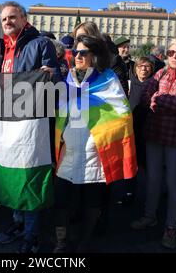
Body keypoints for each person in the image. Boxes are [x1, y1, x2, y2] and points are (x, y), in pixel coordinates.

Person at [53, 34, 137, 252]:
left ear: (95, 56)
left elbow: (122, 113)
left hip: (95, 149)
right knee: (61, 199)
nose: (78, 56)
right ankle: (61, 243)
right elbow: (62, 107)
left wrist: (101, 130)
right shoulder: (69, 77)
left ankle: (85, 242)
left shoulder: (108, 79)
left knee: (93, 201)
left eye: (83, 53)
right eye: (75, 52)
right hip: (69, 148)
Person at [130, 37, 176, 249]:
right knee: (153, 179)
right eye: (171, 52)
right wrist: (163, 100)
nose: (173, 56)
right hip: (154, 134)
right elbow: (146, 97)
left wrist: (160, 98)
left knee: (173, 183)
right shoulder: (160, 72)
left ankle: (172, 228)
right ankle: (149, 215)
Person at [0, 1, 58, 253]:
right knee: (13, 174)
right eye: (4, 19)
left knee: (30, 176)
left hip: (33, 123)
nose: (8, 22)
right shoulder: (4, 48)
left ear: (24, 19)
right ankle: (18, 223)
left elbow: (54, 80)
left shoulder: (41, 43)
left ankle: (31, 235)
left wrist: (51, 74)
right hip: (9, 120)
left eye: (12, 17)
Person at [129, 57, 155, 169]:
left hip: (147, 127)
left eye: (147, 66)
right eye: (140, 66)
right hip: (130, 126)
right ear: (136, 69)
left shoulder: (155, 85)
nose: (143, 69)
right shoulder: (129, 84)